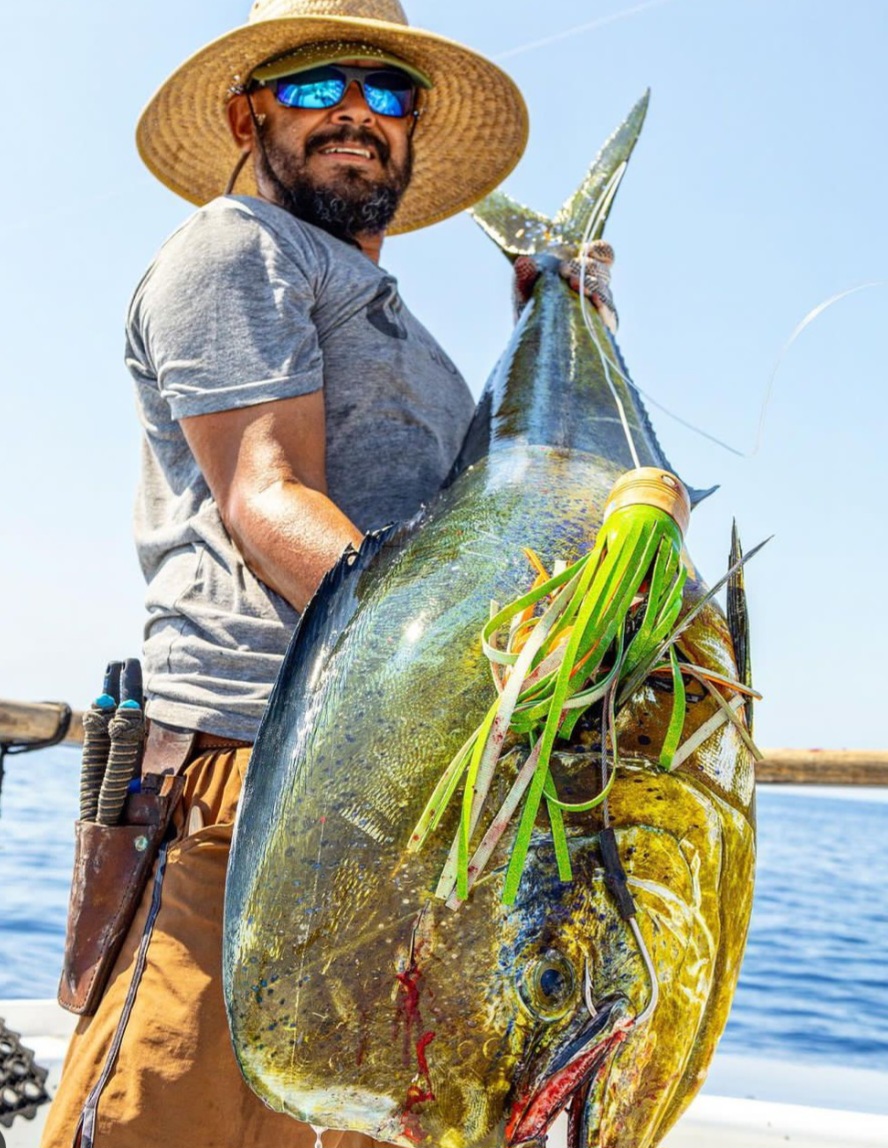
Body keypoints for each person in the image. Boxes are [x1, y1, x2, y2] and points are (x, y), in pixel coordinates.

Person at [42, 3, 528, 1146]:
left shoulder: (404, 325)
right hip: (248, 782)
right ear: (246, 111)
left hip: (406, 787)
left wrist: (558, 311)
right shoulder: (235, 246)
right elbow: (268, 500)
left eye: (388, 91)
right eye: (316, 84)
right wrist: (486, 666)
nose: (356, 110)